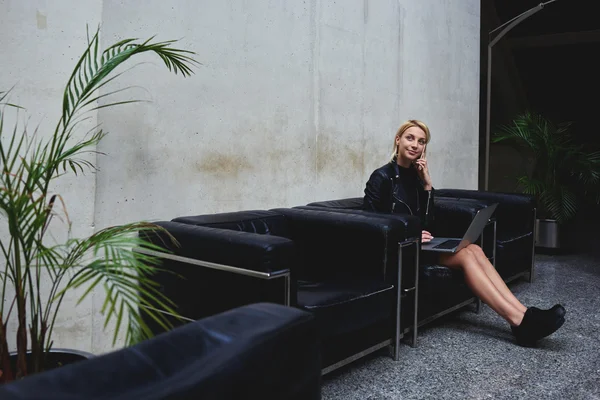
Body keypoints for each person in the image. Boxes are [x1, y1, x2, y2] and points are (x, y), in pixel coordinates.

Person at [363, 119, 565, 346]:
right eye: (410, 138)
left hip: (419, 246)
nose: (415, 145)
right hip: (401, 250)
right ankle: (519, 321)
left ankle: (524, 313)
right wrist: (412, 236)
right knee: (466, 255)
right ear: (398, 140)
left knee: (474, 249)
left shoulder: (416, 178)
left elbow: (428, 222)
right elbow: (372, 227)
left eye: (421, 141)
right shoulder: (381, 177)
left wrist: (428, 186)